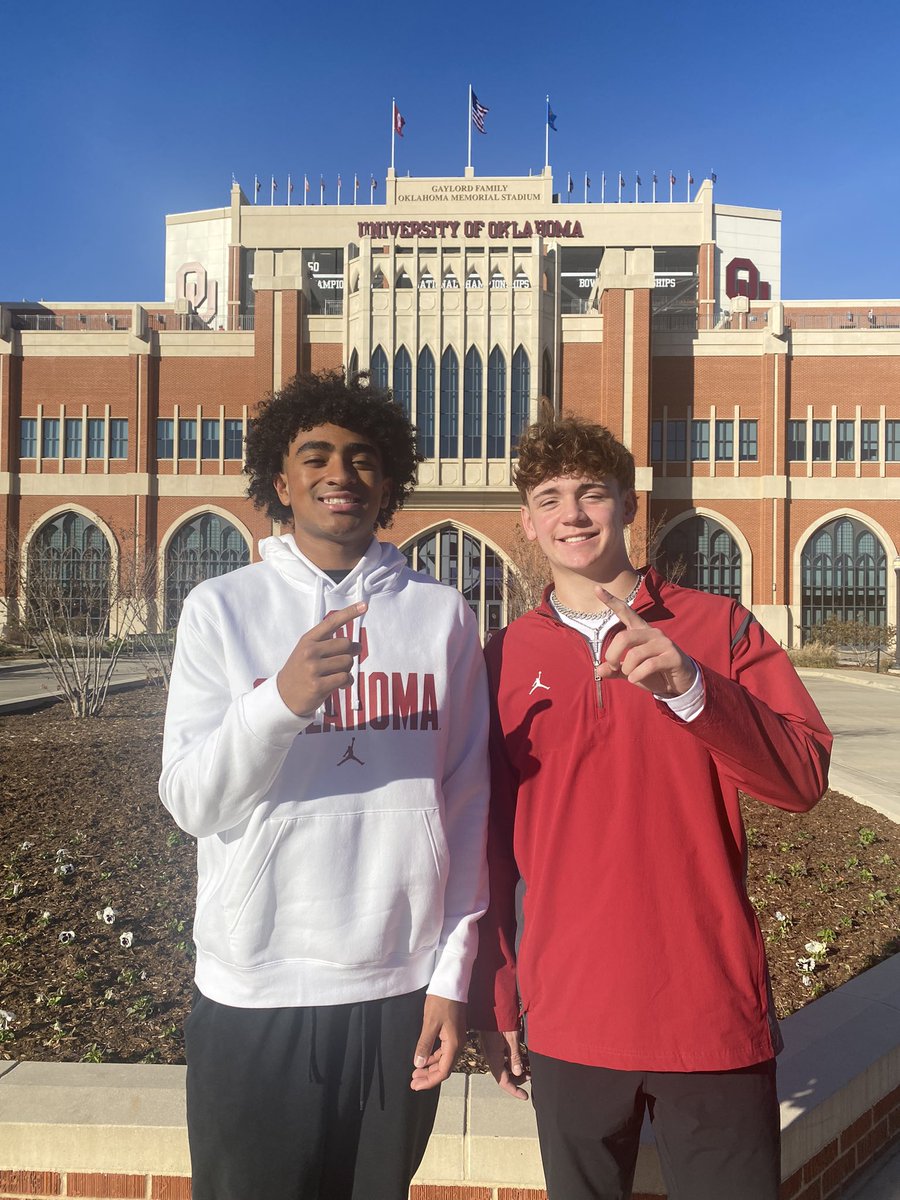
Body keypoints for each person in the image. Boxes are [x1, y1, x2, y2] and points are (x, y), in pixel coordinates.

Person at [469, 412, 832, 1200]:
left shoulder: (718, 627)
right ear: (526, 524)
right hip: (571, 1015)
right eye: (551, 497)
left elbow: (803, 777)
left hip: (710, 1011)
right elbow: (490, 846)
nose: (573, 513)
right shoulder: (503, 658)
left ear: (630, 506)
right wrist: (496, 1000)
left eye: (592, 494)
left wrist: (694, 689)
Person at [159, 371, 490, 1200]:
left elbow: (468, 801)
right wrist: (281, 700)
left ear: (389, 484)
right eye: (316, 456)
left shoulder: (441, 613)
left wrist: (452, 976)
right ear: (281, 479)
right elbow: (191, 800)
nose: (339, 472)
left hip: (397, 988)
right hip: (256, 986)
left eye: (362, 457)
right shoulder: (220, 609)